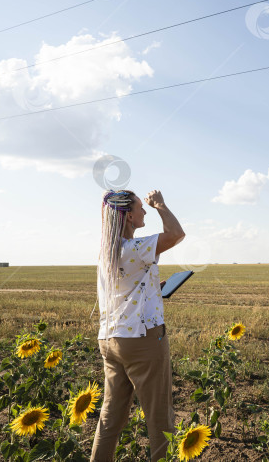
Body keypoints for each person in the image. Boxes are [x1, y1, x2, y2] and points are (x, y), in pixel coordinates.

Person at [91, 189, 185, 462]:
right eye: (141, 208)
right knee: (160, 419)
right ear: (129, 215)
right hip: (142, 341)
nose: (145, 212)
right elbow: (176, 234)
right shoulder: (134, 248)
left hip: (111, 341)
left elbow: (125, 289)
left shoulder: (108, 252)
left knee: (111, 417)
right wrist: (161, 205)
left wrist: (155, 287)